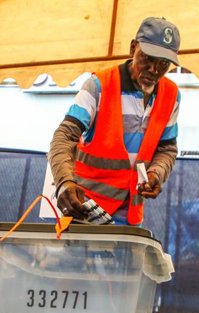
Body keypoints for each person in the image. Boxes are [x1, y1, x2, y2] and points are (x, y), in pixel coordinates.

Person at [47, 17, 181, 226]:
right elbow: (64, 137)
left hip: (130, 213)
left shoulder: (172, 95)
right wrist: (65, 182)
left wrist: (156, 174)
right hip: (84, 206)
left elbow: (167, 149)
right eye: (147, 58)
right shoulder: (98, 85)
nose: (154, 70)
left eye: (163, 64)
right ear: (132, 48)